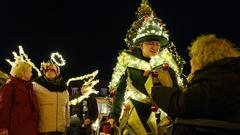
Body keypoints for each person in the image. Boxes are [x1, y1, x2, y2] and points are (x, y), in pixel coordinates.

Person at [108, 1, 185, 134]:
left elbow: (175, 91)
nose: (155, 47)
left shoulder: (165, 67)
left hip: (158, 118)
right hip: (133, 114)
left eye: (157, 44)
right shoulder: (130, 66)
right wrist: (114, 116)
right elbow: (120, 92)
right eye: (151, 43)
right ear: (141, 45)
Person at [151, 34, 240, 134]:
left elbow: (181, 105)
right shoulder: (226, 75)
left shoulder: (218, 78)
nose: (190, 60)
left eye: (192, 56)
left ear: (202, 57)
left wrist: (156, 89)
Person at [0, 60, 39, 135]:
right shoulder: (10, 86)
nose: (32, 74)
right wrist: (2, 128)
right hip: (16, 128)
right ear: (23, 72)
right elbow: (3, 108)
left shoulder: (29, 86)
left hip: (30, 128)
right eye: (30, 71)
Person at [32, 61, 70, 135]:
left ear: (57, 72)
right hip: (43, 129)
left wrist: (67, 124)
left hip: (60, 129)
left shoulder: (64, 88)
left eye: (52, 70)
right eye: (47, 70)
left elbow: (67, 107)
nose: (49, 72)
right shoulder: (36, 85)